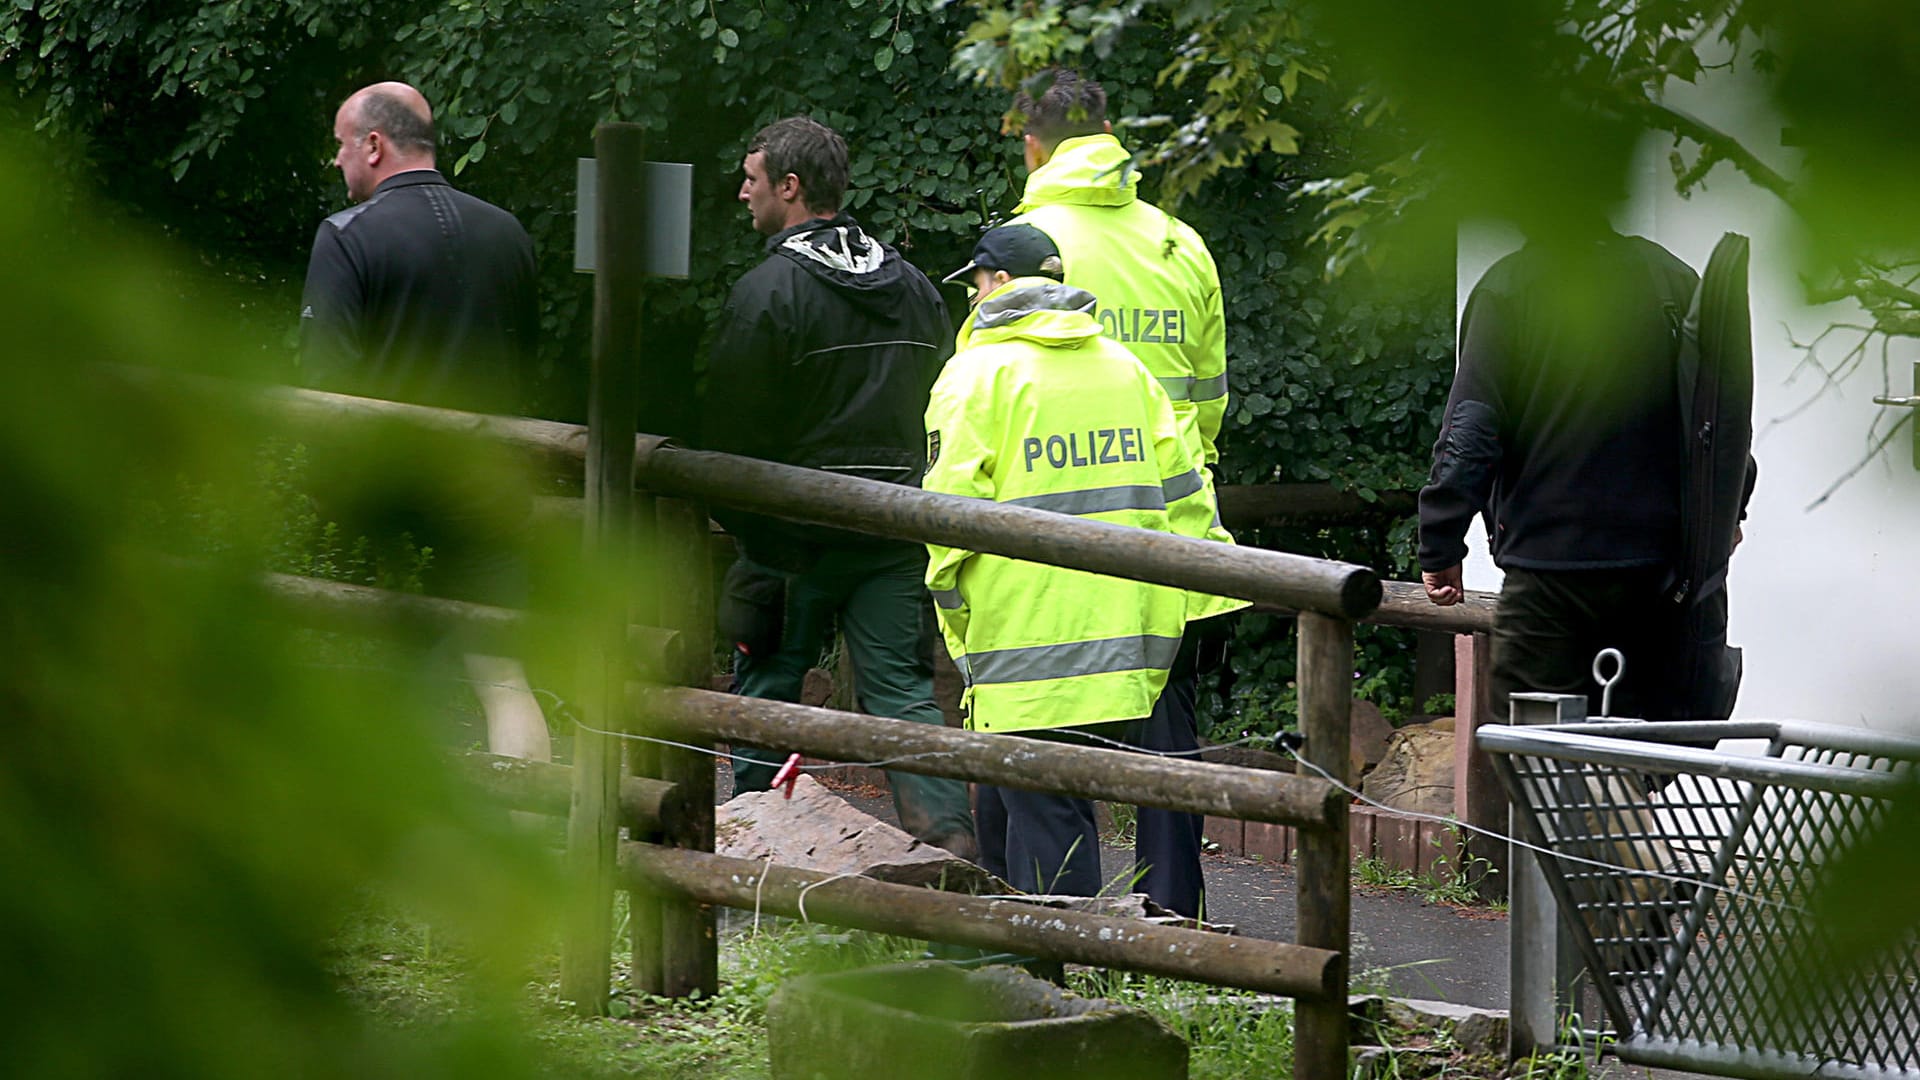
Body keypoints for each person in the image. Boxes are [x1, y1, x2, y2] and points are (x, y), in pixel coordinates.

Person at [698, 116, 977, 859]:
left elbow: (729, 431)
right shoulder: (916, 289)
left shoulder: (767, 292)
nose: (741, 193)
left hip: (787, 540)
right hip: (892, 535)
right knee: (904, 699)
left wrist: (748, 527)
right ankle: (949, 854)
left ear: (789, 188)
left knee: (766, 696)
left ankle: (750, 859)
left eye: (751, 180)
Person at [1001, 69, 1244, 915]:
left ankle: (1051, 925)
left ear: (1032, 142)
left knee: (1039, 740)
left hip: (1047, 529)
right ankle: (1173, 921)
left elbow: (986, 387)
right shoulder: (1179, 242)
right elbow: (1209, 403)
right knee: (1167, 742)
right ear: (1111, 132)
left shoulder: (1023, 243)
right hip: (1169, 523)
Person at [925, 223, 1214, 899]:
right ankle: (1155, 955)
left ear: (996, 284)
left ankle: (1060, 974)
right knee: (1145, 794)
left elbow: (945, 525)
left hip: (1023, 643)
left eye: (974, 283)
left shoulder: (973, 376)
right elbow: (1186, 500)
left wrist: (960, 628)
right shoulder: (1127, 369)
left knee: (1049, 827)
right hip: (1135, 638)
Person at [299, 81, 548, 761]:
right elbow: (526, 367)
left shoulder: (346, 238)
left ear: (373, 145)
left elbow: (326, 383)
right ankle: (530, 839)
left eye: (341, 147)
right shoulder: (508, 234)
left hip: (387, 504)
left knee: (390, 682)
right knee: (504, 680)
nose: (338, 163)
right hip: (489, 496)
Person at [1418, 224, 1755, 723]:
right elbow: (1720, 413)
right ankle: (1624, 800)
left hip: (1550, 570)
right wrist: (1730, 505)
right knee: (1640, 751)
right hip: (1662, 572)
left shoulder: (1510, 287)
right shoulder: (1672, 280)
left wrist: (1440, 543)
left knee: (1534, 747)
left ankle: (1572, 801)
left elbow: (1472, 430)